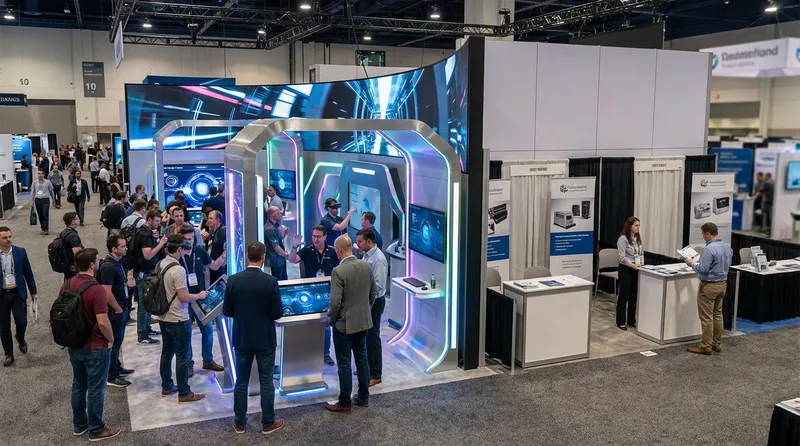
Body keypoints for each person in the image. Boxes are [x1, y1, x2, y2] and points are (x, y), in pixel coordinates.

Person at [223, 241, 285, 434]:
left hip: (242, 337)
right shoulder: (270, 281)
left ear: (247, 256)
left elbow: (227, 311)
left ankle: (239, 423)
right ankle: (268, 423)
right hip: (265, 338)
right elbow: (277, 313)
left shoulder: (233, 280)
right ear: (263, 257)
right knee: (266, 381)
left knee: (241, 381)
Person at [61, 248, 121, 441]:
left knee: (79, 384)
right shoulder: (96, 290)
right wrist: (110, 339)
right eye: (97, 260)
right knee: (96, 388)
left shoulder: (67, 285)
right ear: (92, 265)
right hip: (95, 347)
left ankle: (79, 425)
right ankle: (96, 429)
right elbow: (103, 322)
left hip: (74, 343)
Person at [325, 235, 376, 413]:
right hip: (363, 323)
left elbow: (335, 303)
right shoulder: (366, 266)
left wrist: (331, 320)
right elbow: (373, 293)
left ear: (339, 250)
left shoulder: (338, 271)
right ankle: (363, 398)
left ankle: (345, 403)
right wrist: (365, 312)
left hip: (344, 326)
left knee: (344, 364)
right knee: (362, 360)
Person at [154, 234, 207, 403]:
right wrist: (199, 295)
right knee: (183, 356)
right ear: (178, 249)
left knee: (166, 353)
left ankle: (167, 386)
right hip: (178, 318)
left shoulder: (161, 263)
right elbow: (184, 297)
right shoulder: (178, 269)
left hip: (164, 317)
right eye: (183, 249)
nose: (185, 252)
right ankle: (184, 392)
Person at [288, 225, 339, 366]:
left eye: (318, 236)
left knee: (326, 325)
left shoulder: (332, 251)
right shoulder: (307, 250)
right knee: (309, 324)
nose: (316, 239)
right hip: (309, 292)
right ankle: (308, 352)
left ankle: (325, 354)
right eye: (314, 236)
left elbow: (338, 269)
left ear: (325, 237)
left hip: (326, 292)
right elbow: (292, 260)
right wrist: (294, 246)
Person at [178, 224, 225, 375]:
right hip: (184, 300)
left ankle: (208, 360)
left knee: (208, 330)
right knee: (186, 334)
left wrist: (224, 254)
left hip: (200, 298)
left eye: (191, 238)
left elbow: (214, 266)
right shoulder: (177, 254)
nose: (189, 242)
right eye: (186, 239)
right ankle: (188, 363)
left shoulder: (199, 251)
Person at [685, 223, 733, 355]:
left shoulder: (709, 249)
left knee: (706, 317)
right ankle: (716, 343)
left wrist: (691, 264)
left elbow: (703, 269)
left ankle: (705, 346)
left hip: (709, 286)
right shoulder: (727, 247)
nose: (703, 236)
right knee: (717, 315)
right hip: (722, 284)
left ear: (707, 234)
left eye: (703, 234)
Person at [97, 236, 135, 387]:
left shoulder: (117, 262)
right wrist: (117, 308)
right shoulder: (108, 266)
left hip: (121, 307)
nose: (126, 248)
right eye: (123, 246)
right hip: (115, 311)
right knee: (113, 342)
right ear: (114, 249)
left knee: (118, 341)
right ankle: (111, 375)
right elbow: (106, 291)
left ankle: (116, 367)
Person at [0, 227, 37, 367]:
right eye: (5, 237)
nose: (8, 239)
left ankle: (20, 338)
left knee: (22, 322)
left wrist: (33, 292)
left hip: (17, 293)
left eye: (10, 236)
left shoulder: (20, 252)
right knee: (3, 327)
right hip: (2, 295)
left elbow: (28, 272)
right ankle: (9, 354)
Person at [130, 209, 168, 345]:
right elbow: (148, 255)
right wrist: (160, 244)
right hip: (144, 273)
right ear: (150, 219)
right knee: (143, 304)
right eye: (156, 221)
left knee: (148, 302)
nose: (158, 224)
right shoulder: (144, 234)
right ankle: (142, 335)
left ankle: (146, 329)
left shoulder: (146, 232)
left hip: (146, 272)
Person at [355, 228, 387, 387]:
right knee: (366, 337)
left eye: (360, 241)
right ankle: (366, 367)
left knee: (373, 338)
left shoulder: (378, 260)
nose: (357, 244)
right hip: (367, 301)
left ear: (369, 241)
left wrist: (367, 303)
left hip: (374, 303)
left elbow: (378, 286)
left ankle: (376, 374)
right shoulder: (367, 255)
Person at [616, 216, 643, 331]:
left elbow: (639, 253)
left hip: (636, 269)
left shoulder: (637, 238)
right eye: (636, 225)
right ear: (630, 226)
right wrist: (632, 265)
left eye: (639, 226)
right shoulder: (623, 239)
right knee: (624, 295)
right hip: (626, 269)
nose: (638, 228)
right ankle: (620, 321)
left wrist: (641, 263)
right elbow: (621, 257)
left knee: (633, 295)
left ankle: (631, 320)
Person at [264, 206, 289, 281]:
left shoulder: (275, 225)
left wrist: (285, 234)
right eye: (279, 213)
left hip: (281, 259)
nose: (281, 215)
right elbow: (276, 247)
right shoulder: (269, 228)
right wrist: (286, 255)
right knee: (279, 281)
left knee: (284, 279)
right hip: (276, 260)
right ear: (273, 215)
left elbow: (279, 240)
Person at [60, 212, 84, 280]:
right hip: (72, 264)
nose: (79, 219)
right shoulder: (73, 236)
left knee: (68, 279)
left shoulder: (64, 232)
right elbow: (77, 253)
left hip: (65, 262)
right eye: (77, 218)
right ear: (73, 222)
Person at [32, 170, 56, 235]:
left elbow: (51, 191)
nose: (40, 175)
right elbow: (33, 192)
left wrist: (53, 199)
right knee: (40, 214)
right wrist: (32, 202)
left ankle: (46, 229)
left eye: (42, 174)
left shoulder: (48, 182)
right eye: (39, 174)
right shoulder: (34, 182)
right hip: (38, 199)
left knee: (45, 214)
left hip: (45, 199)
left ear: (44, 175)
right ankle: (42, 228)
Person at [206, 210, 227, 284]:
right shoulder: (212, 232)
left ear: (218, 220)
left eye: (211, 218)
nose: (208, 220)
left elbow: (225, 251)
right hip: (212, 267)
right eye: (208, 218)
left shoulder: (222, 232)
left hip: (219, 268)